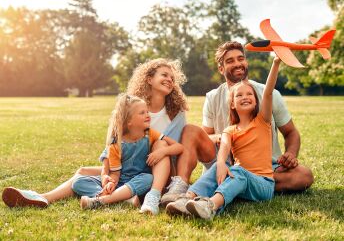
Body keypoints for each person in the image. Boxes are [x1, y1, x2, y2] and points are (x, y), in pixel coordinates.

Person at [2, 58, 188, 213]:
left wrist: (161, 153)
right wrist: (108, 176)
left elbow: (176, 148)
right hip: (123, 171)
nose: (170, 79)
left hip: (155, 172)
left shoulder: (174, 114)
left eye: (173, 77)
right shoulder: (132, 106)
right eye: (164, 75)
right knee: (81, 174)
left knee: (159, 147)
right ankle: (44, 197)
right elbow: (114, 146)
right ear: (148, 78)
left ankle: (131, 197)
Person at [160, 41, 314, 206]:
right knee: (190, 130)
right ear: (221, 69)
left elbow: (291, 133)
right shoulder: (213, 97)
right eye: (230, 60)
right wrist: (224, 137)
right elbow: (205, 137)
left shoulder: (268, 94)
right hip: (224, 161)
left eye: (240, 58)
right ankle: (182, 188)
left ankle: (238, 184)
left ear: (246, 62)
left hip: (265, 166)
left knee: (304, 176)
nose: (237, 63)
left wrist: (290, 154)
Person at [166, 57, 282, 219]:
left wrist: (275, 63)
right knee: (219, 167)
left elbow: (268, 92)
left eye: (249, 94)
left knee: (237, 171)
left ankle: (210, 206)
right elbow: (224, 148)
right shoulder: (230, 130)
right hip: (239, 181)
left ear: (256, 101)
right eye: (239, 95)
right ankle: (187, 199)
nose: (245, 97)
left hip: (263, 185)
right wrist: (220, 163)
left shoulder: (263, 122)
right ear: (232, 104)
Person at [73, 94, 183, 212]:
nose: (148, 115)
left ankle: (103, 200)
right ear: (129, 121)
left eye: (147, 112)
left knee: (148, 178)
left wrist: (162, 151)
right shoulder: (116, 143)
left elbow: (179, 147)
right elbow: (115, 173)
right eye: (142, 113)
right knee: (78, 182)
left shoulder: (150, 134)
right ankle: (121, 198)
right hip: (120, 182)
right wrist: (110, 183)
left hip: (139, 181)